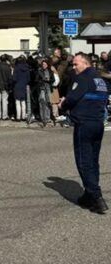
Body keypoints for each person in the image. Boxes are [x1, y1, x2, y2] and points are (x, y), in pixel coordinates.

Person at [59, 53, 108, 214]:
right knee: (93, 161)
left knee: (84, 161)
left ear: (86, 64)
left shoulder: (82, 79)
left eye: (76, 64)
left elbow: (72, 99)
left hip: (84, 124)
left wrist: (63, 104)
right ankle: (88, 194)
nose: (74, 67)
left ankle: (96, 197)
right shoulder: (100, 80)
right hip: (97, 123)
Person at [12, 55, 30, 121]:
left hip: (17, 86)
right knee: (23, 101)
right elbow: (29, 79)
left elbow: (14, 78)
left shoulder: (16, 68)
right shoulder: (27, 68)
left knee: (17, 102)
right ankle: (23, 116)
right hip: (24, 86)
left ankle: (18, 117)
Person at [37, 60, 55, 126]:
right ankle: (43, 118)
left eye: (45, 64)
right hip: (42, 88)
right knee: (42, 102)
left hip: (48, 88)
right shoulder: (39, 71)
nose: (44, 65)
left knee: (48, 103)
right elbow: (36, 80)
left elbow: (53, 80)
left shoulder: (50, 71)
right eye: (43, 64)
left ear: (47, 65)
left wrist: (49, 80)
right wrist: (42, 80)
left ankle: (47, 117)